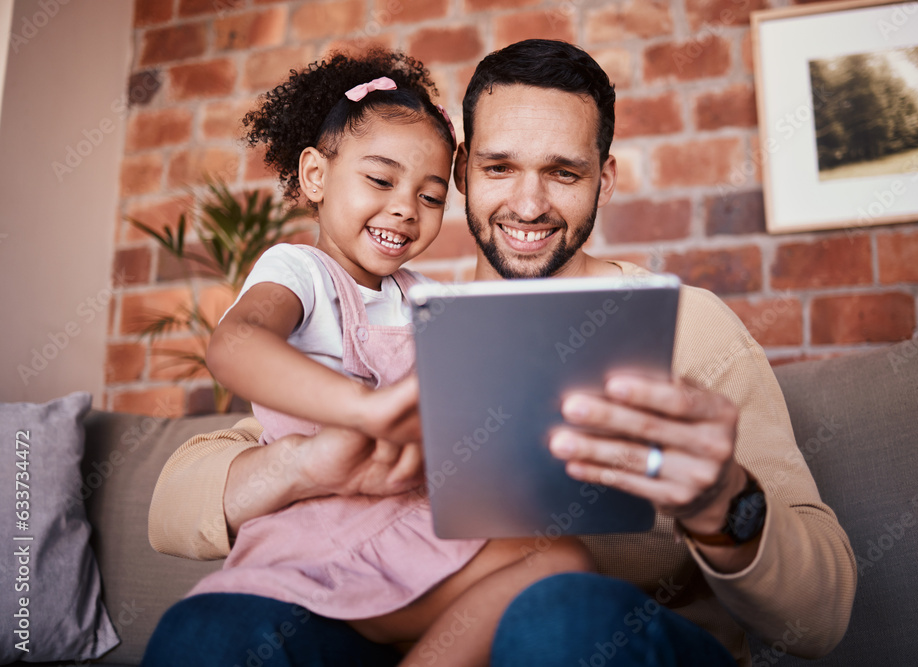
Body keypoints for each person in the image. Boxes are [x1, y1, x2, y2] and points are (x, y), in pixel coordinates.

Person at [144, 40, 857, 667]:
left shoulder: (687, 326)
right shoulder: (414, 321)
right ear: (461, 175)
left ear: (604, 180)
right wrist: (300, 463)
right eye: (498, 168)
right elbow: (176, 501)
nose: (528, 202)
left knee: (556, 611)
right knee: (211, 632)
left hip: (596, 635)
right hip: (414, 629)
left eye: (564, 173)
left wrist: (722, 501)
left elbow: (819, 619)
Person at [158, 48, 593, 667]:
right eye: (381, 180)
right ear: (315, 175)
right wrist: (367, 409)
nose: (404, 209)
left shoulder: (431, 301)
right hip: (317, 533)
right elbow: (234, 346)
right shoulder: (301, 271)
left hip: (414, 525)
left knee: (565, 558)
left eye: (432, 195)